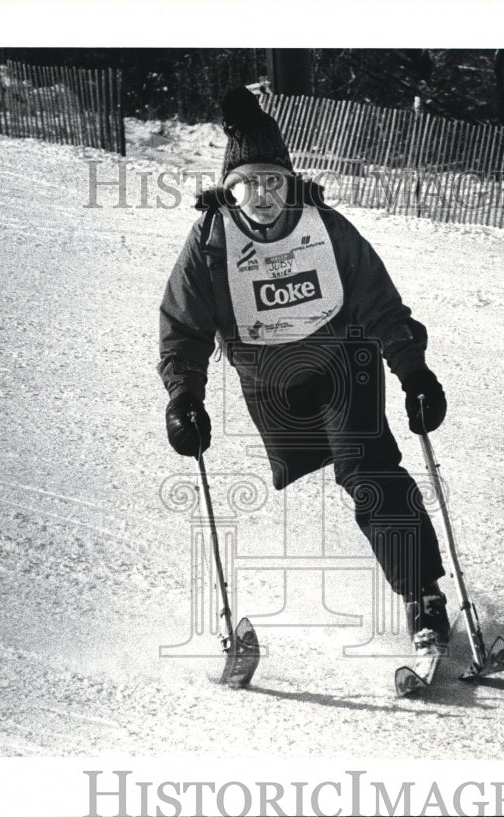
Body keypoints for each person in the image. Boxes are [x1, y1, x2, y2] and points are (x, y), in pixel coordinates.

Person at [158, 87, 451, 646]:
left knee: (367, 472)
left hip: (346, 363)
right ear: (230, 187)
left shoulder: (325, 227)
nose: (264, 195)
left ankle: (425, 599)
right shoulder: (211, 242)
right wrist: (183, 398)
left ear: (289, 182)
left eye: (274, 181)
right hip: (272, 384)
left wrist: (414, 373)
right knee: (336, 472)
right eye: (250, 182)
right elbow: (184, 327)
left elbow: (381, 304)